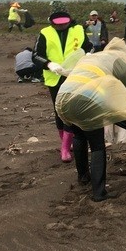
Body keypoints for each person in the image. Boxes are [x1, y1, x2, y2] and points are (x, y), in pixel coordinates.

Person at [55, 38, 126, 202]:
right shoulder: (119, 60)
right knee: (97, 146)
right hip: (84, 100)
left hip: (63, 98)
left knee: (79, 136)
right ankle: (99, 193)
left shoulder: (91, 58)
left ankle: (83, 177)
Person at [32, 11, 93, 162]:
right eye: (57, 24)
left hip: (75, 75)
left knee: (71, 109)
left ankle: (65, 147)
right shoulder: (45, 33)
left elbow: (89, 46)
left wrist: (89, 55)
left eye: (64, 23)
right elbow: (35, 55)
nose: (61, 26)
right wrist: (49, 64)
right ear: (52, 23)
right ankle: (65, 142)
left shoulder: (78, 29)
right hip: (55, 76)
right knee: (59, 110)